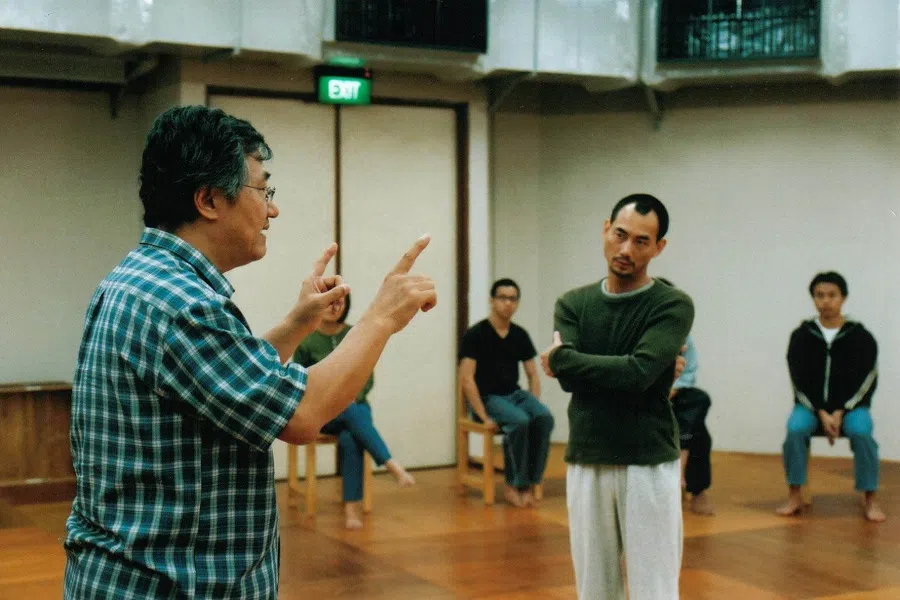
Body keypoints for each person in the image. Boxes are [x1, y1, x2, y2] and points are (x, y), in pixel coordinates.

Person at [63, 105, 437, 599]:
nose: (272, 210)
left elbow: (230, 382)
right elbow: (301, 415)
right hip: (168, 585)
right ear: (209, 200)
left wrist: (298, 323)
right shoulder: (181, 302)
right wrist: (382, 317)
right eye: (264, 191)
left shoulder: (145, 280)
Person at [541, 194, 693, 600]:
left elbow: (639, 374)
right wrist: (623, 367)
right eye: (620, 235)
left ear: (659, 248)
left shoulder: (672, 304)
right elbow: (579, 379)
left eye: (641, 241)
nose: (626, 249)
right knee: (594, 589)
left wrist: (568, 360)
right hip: (587, 456)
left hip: (648, 461)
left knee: (654, 589)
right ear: (605, 229)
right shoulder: (572, 304)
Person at [293, 293, 416, 529]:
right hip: (321, 414)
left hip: (354, 407)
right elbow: (300, 380)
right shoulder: (306, 339)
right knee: (351, 414)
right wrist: (333, 399)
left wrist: (346, 397)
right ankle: (390, 463)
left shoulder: (355, 334)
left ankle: (351, 509)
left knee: (351, 437)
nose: (334, 307)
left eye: (339, 303)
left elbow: (366, 376)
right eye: (328, 302)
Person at [775, 271, 885, 522]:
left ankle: (870, 498)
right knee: (795, 429)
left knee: (862, 433)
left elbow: (868, 378)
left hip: (851, 408)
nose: (825, 301)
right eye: (819, 295)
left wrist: (841, 411)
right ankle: (795, 495)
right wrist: (820, 411)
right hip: (811, 408)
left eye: (832, 295)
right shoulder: (802, 335)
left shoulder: (860, 336)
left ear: (843, 298)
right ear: (813, 299)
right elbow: (797, 379)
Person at [458, 278, 554, 508]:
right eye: (502, 298)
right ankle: (514, 485)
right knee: (519, 421)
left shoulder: (519, 334)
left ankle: (530, 483)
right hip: (488, 399)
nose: (507, 304)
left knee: (543, 417)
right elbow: (466, 379)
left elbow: (532, 374)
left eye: (513, 299)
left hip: (515, 396)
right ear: (492, 301)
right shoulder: (476, 334)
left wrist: (533, 401)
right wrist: (483, 416)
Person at [670, 334, 715, 515]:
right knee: (698, 431)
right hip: (641, 393)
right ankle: (694, 488)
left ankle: (680, 477)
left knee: (700, 400)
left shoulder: (681, 331)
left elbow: (688, 371)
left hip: (672, 392)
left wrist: (670, 391)